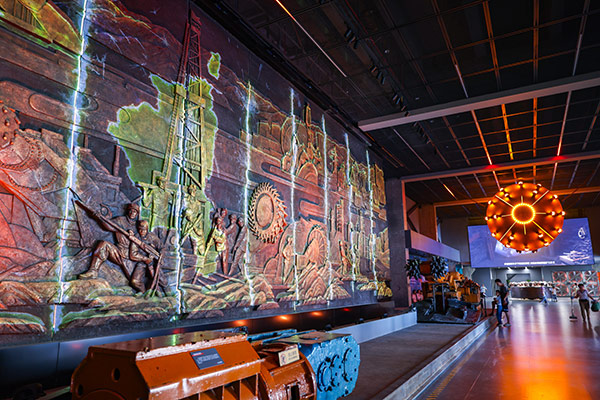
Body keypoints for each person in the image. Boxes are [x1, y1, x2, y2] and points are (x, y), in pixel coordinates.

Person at [79, 203, 140, 280]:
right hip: (119, 253)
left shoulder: (139, 226)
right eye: (130, 210)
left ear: (137, 213)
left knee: (136, 282)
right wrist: (100, 218)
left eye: (134, 211)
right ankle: (93, 271)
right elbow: (109, 226)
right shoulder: (120, 220)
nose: (132, 213)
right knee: (103, 245)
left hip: (132, 258)